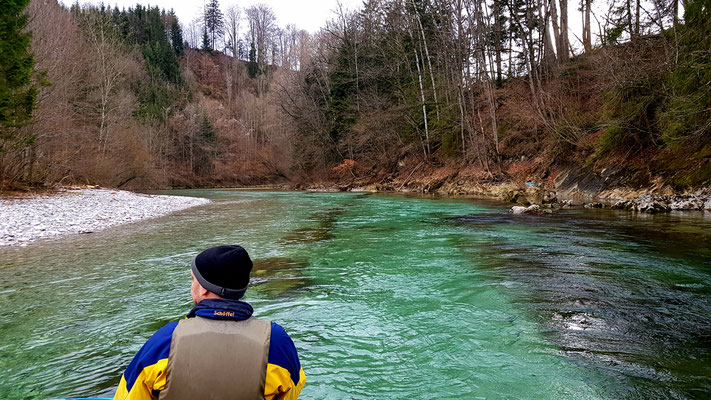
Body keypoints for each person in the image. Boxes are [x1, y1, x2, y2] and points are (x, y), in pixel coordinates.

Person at [113, 245, 306, 400]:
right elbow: (293, 389)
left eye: (193, 279)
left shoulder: (165, 339)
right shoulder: (277, 341)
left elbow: (128, 395)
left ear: (204, 289)